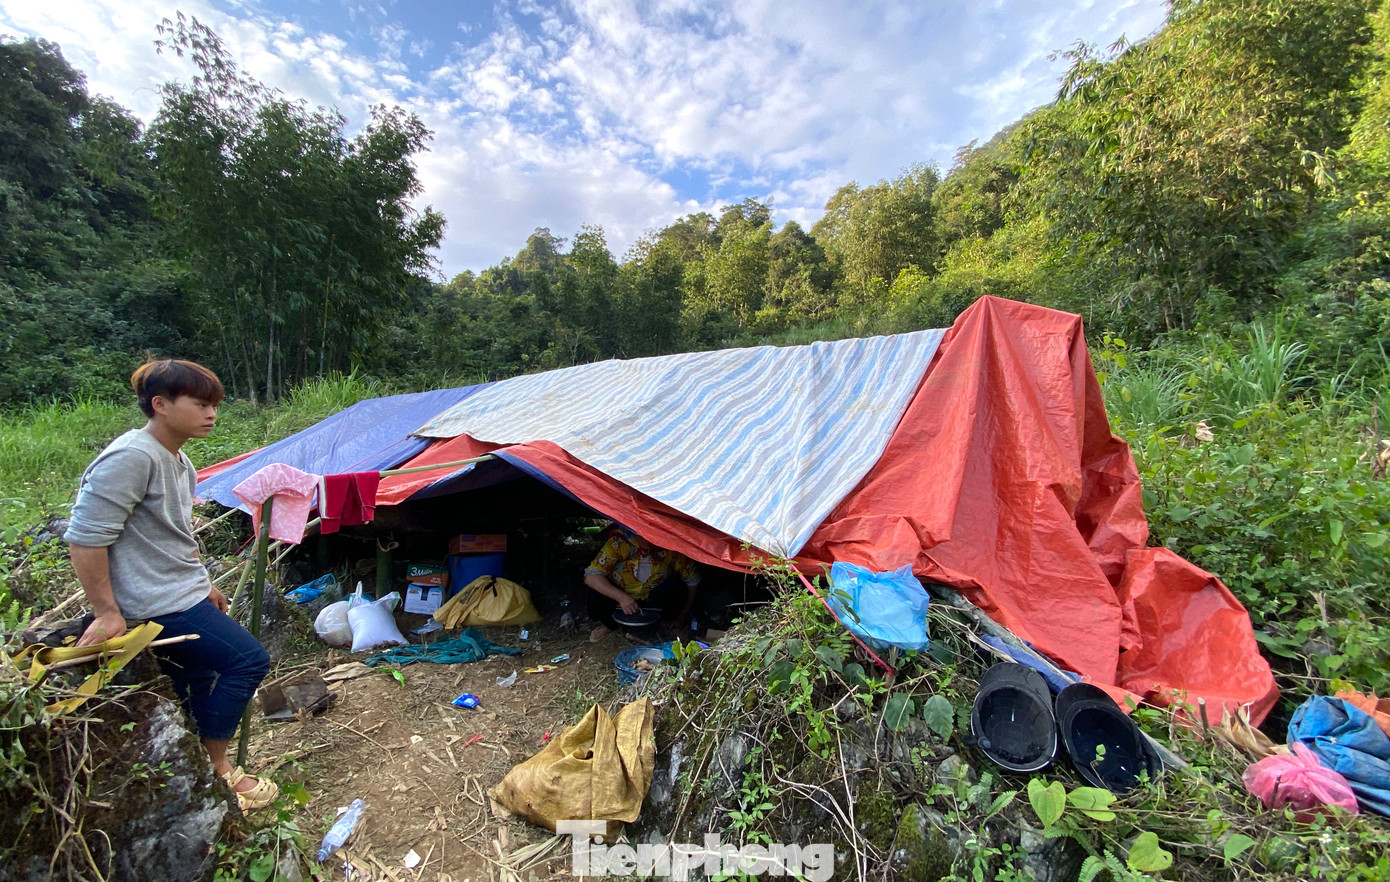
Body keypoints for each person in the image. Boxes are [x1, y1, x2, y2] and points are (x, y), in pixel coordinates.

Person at [64, 359, 277, 812]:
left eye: (214, 404)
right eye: (200, 403)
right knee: (248, 661)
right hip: (155, 601)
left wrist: (203, 584)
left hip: (179, 590)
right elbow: (85, 537)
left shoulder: (178, 459)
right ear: (160, 405)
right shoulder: (131, 457)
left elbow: (175, 532)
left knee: (196, 677)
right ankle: (218, 769)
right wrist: (106, 611)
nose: (211, 413)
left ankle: (191, 770)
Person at [583, 527, 700, 635]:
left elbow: (692, 581)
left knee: (677, 587)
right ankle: (610, 626)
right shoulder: (618, 543)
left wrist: (681, 615)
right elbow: (591, 576)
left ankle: (666, 624)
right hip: (620, 597)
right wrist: (621, 597)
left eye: (652, 534)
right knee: (596, 591)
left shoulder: (671, 548)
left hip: (654, 597)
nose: (647, 539)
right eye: (642, 533)